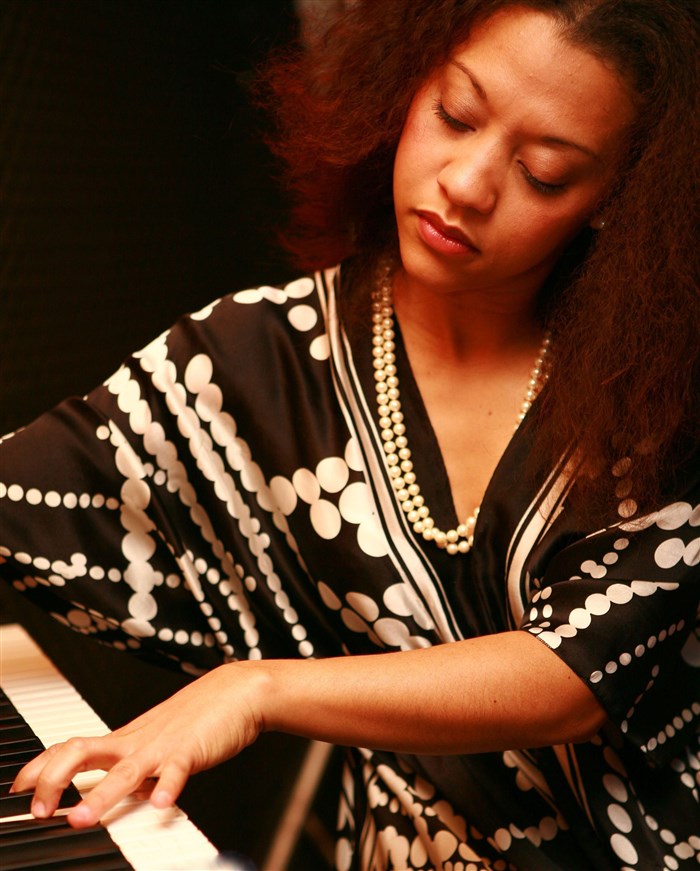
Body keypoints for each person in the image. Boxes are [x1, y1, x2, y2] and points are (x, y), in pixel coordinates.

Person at [3, 1, 698, 868]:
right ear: (405, 90)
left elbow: (571, 674)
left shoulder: (661, 396)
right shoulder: (258, 360)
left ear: (616, 200)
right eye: (455, 115)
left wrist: (257, 688)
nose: (468, 184)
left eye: (544, 173)